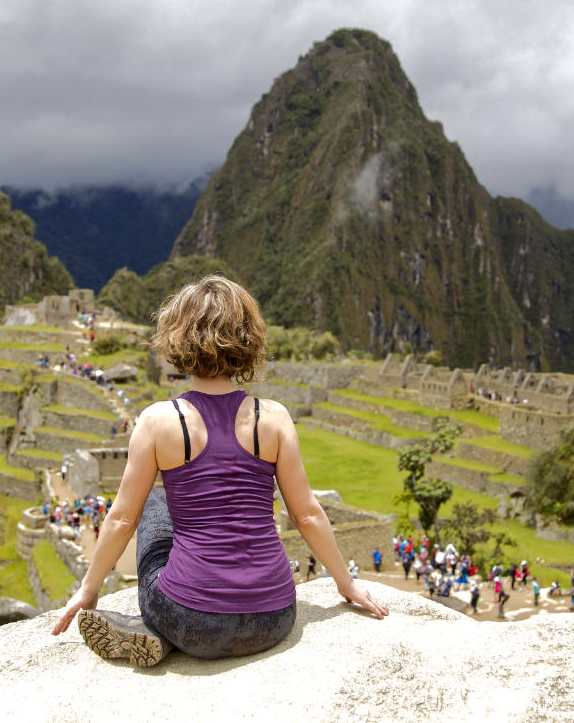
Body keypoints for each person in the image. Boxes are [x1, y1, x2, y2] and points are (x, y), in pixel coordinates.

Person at [51, 276, 387, 666]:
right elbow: (307, 513)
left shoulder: (159, 421)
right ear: (249, 340)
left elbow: (124, 519)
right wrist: (346, 584)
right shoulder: (274, 418)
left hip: (189, 620)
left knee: (155, 502)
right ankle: (174, 630)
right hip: (274, 618)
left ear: (177, 338)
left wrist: (88, 589)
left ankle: (159, 633)